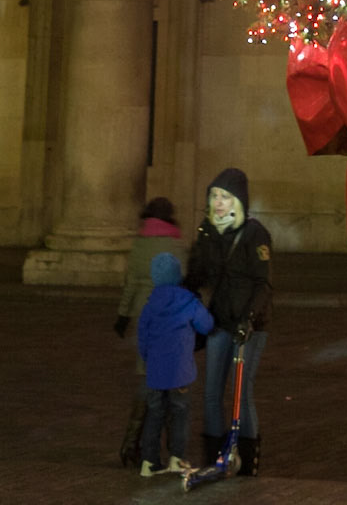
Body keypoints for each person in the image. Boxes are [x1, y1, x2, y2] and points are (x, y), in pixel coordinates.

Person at [185, 167, 272, 477]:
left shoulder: (254, 233)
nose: (218, 203)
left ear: (239, 201)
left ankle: (247, 461)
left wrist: (248, 320)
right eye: (214, 196)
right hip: (219, 323)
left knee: (241, 391)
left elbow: (263, 284)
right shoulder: (208, 232)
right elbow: (196, 277)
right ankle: (214, 457)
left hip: (250, 326)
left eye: (225, 197)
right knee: (211, 392)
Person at [116, 197, 183, 466]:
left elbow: (131, 283)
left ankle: (131, 442)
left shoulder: (140, 244)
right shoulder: (177, 245)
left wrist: (122, 315)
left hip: (144, 316)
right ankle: (170, 448)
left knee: (146, 377)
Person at [134, 250, 214, 478]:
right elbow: (206, 325)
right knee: (180, 413)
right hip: (181, 370)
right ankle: (176, 458)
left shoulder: (150, 305)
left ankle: (148, 462)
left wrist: (148, 358)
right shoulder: (187, 300)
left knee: (155, 413)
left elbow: (143, 337)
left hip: (156, 371)